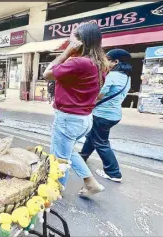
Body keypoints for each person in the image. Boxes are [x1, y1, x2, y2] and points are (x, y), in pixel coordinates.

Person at [43, 22, 108, 196]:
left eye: (71, 38)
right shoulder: (99, 63)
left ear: (80, 41)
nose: (68, 40)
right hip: (84, 118)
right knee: (68, 151)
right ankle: (90, 182)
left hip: (69, 119)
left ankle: (56, 191)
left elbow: (47, 74)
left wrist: (66, 53)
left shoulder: (79, 62)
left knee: (60, 159)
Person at [79, 49, 132, 183]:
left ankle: (113, 172)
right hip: (114, 114)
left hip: (103, 115)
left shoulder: (113, 76)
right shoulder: (127, 77)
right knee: (92, 136)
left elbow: (100, 95)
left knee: (101, 143)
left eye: (107, 59)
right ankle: (82, 157)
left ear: (115, 62)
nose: (105, 61)